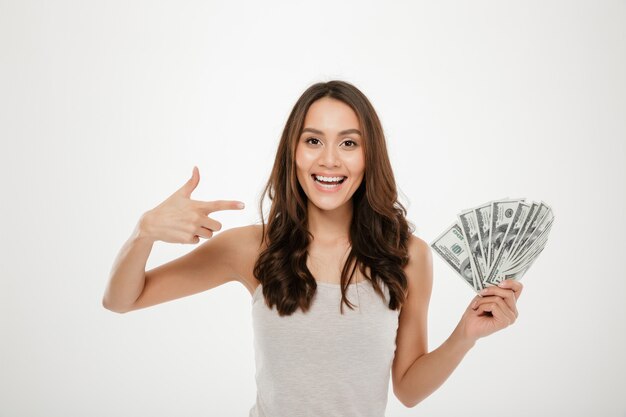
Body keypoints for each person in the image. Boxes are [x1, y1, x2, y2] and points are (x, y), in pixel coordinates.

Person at [102, 80, 523, 416]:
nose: (330, 161)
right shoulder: (250, 247)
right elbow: (122, 300)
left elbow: (408, 390)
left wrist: (465, 335)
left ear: (368, 156)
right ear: (294, 152)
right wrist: (144, 233)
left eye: (349, 143)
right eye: (313, 141)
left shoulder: (408, 255)